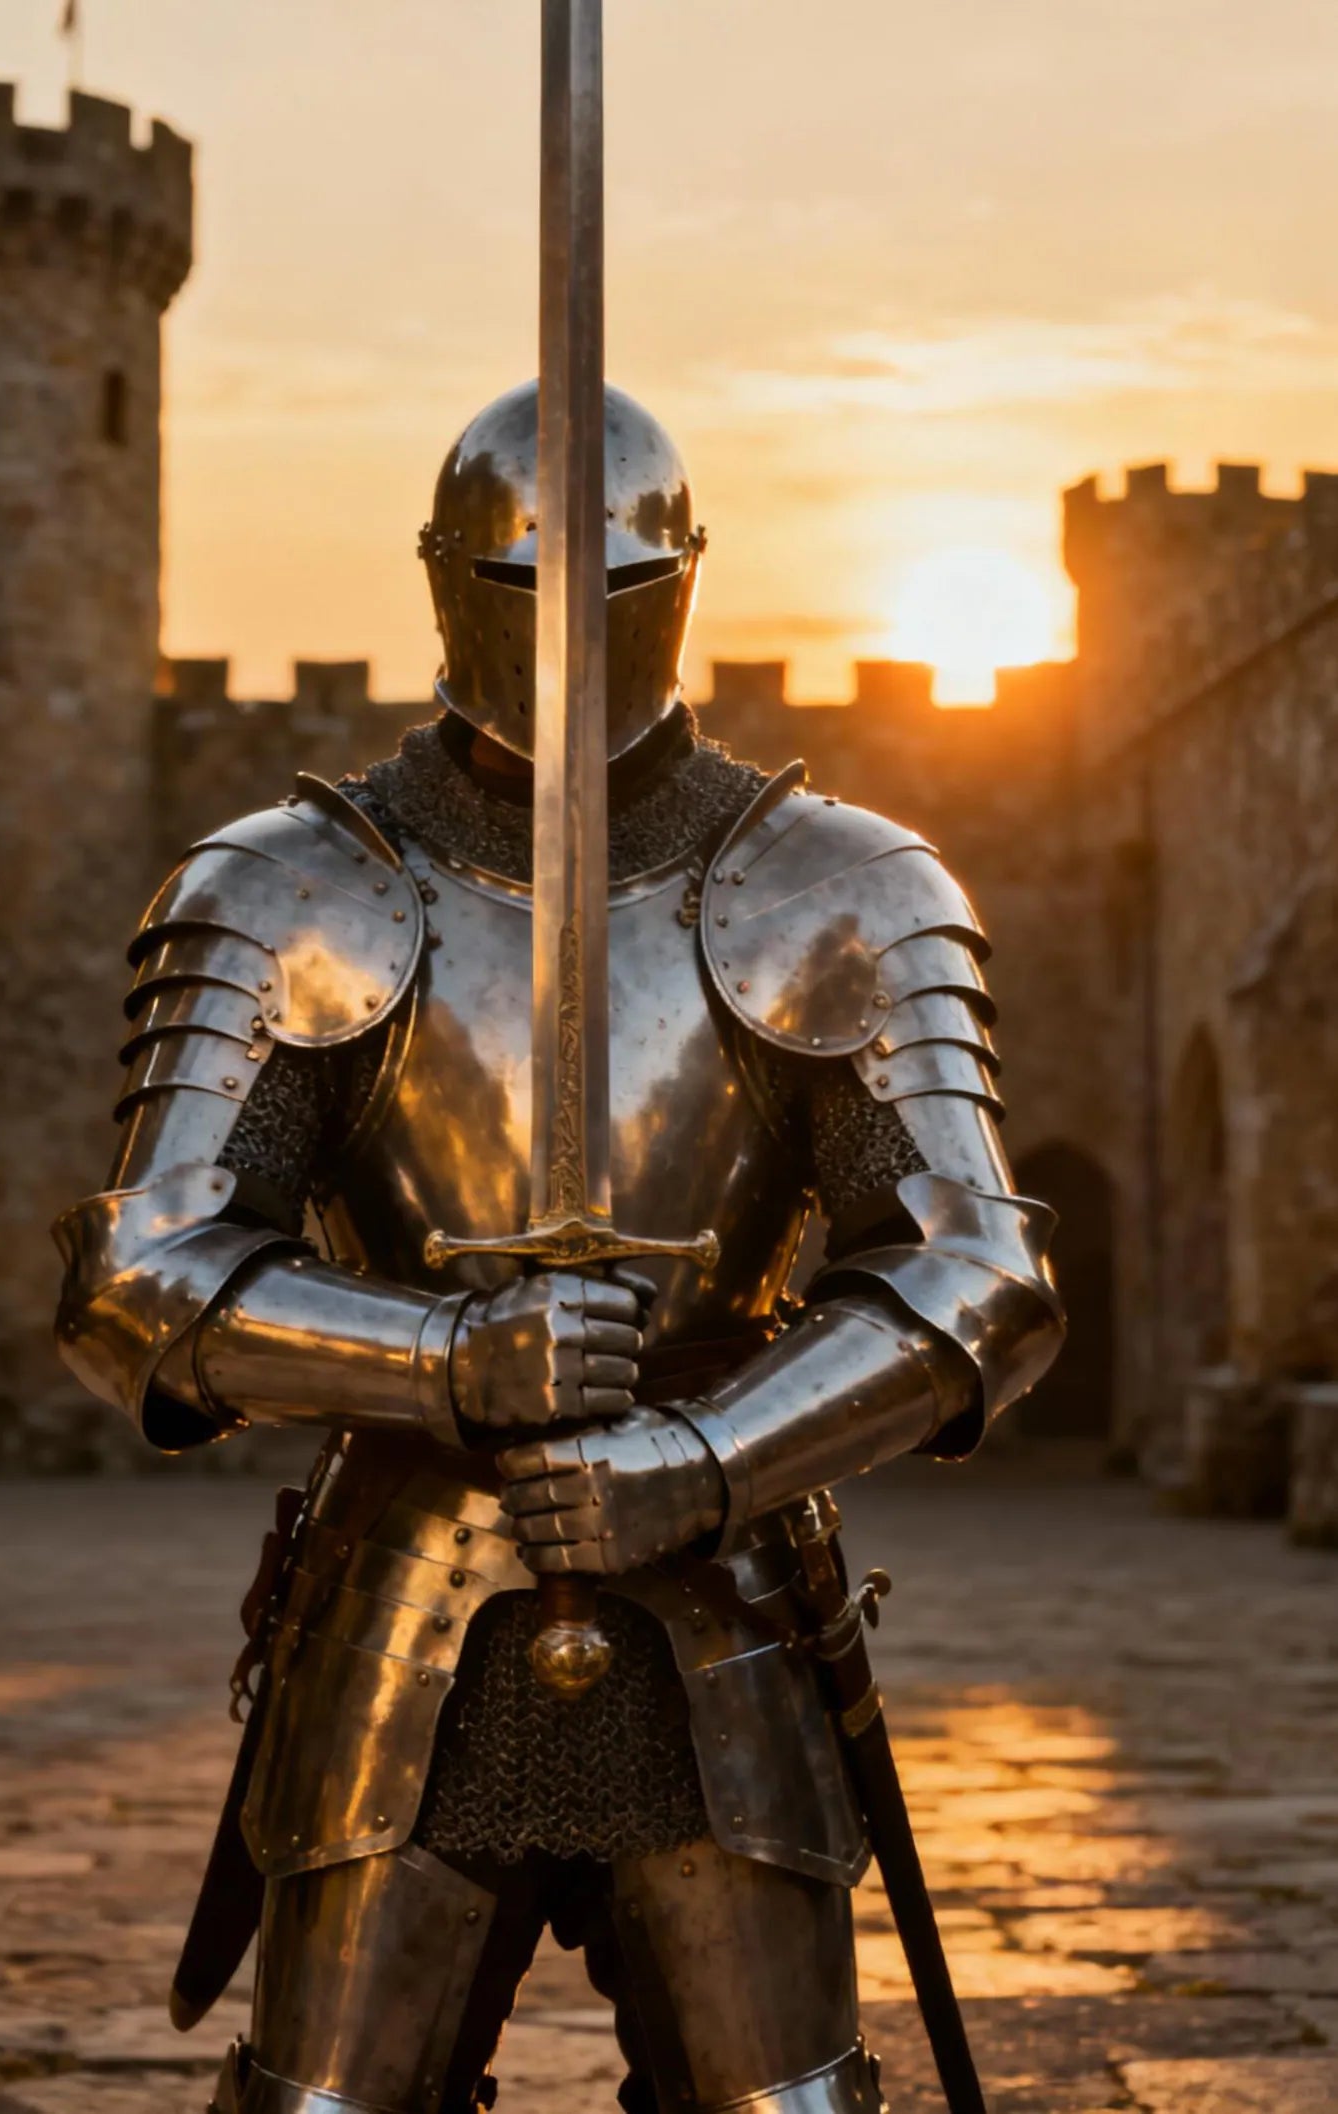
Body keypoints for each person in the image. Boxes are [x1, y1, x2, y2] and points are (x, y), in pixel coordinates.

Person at [54, 380, 1064, 2114]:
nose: (568, 637)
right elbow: (136, 1273)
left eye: (607, 590)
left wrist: (703, 1450)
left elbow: (980, 1271)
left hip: (727, 1599)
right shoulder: (286, 889)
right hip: (401, 1598)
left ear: (681, 587)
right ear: (450, 584)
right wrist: (441, 1356)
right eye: (527, 589)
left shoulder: (844, 889)